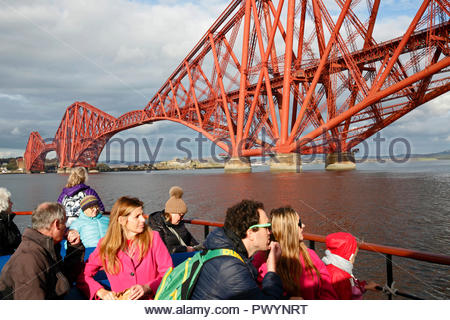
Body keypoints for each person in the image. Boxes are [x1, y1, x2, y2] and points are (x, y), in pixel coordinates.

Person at [77, 196, 172, 300]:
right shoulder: (105, 245)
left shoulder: (153, 238)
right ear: (121, 220)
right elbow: (83, 276)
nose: (143, 219)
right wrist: (101, 292)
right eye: (137, 216)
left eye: (142, 214)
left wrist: (147, 287)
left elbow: (169, 273)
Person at [190, 199, 283, 300]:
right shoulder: (232, 269)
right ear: (251, 233)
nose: (270, 232)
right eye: (267, 227)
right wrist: (272, 269)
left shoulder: (225, 254)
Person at [0, 202, 85, 299]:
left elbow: (64, 280)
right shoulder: (30, 259)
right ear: (56, 224)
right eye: (64, 223)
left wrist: (75, 247)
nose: (66, 228)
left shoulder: (47, 246)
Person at [253, 206, 337, 299]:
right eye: (299, 223)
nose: (303, 226)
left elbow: (328, 291)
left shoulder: (310, 255)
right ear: (288, 229)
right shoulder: (262, 261)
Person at [322, 232, 379, 299]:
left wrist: (366, 287)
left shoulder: (328, 264)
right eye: (353, 257)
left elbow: (351, 288)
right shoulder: (341, 278)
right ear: (349, 257)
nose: (353, 261)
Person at [147, 186, 200, 253]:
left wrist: (199, 247)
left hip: (181, 255)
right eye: (180, 215)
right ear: (171, 213)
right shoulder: (156, 223)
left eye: (183, 216)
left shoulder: (179, 222)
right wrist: (185, 249)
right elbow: (161, 249)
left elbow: (189, 239)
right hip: (169, 259)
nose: (182, 218)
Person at [0, 187, 21, 256]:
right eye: (9, 202)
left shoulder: (8, 221)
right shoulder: (2, 224)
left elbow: (17, 241)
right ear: (3, 205)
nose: (12, 204)